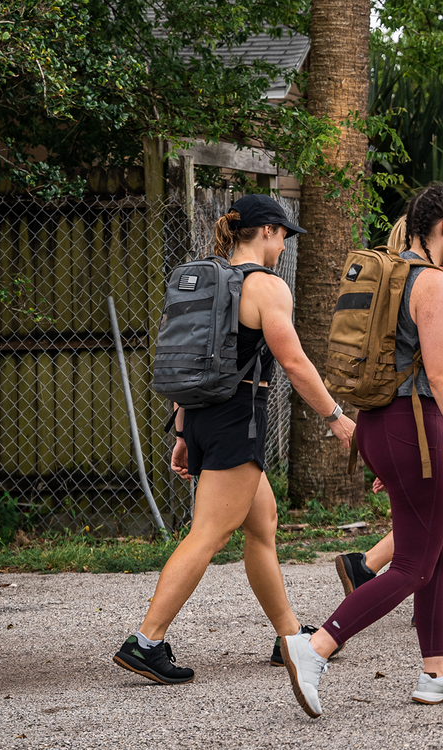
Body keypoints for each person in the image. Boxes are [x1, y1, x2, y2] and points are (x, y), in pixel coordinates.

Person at [113, 193, 356, 685]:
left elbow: (190, 360)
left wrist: (183, 432)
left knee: (261, 523)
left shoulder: (210, 282)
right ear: (266, 231)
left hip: (203, 417)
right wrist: (335, 417)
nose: (286, 244)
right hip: (237, 418)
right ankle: (146, 641)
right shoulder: (266, 287)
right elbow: (293, 362)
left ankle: (290, 639)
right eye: (284, 234)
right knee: (209, 533)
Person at [281, 184, 443, 717]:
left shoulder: (391, 274)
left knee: (441, 543)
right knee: (414, 564)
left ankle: (436, 671)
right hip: (412, 427)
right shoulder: (437, 284)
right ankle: (316, 646)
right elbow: (441, 375)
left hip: (378, 424)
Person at [332, 219, 443, 627]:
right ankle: (365, 572)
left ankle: (434, 653)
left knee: (431, 512)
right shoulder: (441, 281)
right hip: (427, 411)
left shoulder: (389, 280)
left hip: (381, 415)